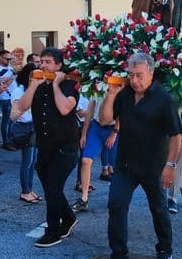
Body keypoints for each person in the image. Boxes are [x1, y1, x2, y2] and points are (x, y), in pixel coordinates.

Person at [96, 52, 182, 259]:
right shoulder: (124, 95)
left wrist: (170, 166)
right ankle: (119, 257)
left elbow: (176, 135)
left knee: (158, 209)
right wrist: (111, 94)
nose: (135, 80)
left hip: (154, 165)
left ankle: (165, 251)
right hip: (125, 165)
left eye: (139, 75)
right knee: (116, 206)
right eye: (131, 75)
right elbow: (105, 119)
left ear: (151, 73)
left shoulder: (163, 98)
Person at [17, 47, 81, 248]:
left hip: (65, 147)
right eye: (41, 62)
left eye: (47, 62)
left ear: (58, 65)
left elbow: (64, 109)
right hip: (44, 147)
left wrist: (55, 85)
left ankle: (53, 231)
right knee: (51, 188)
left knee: (53, 188)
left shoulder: (69, 85)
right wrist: (34, 85)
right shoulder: (36, 85)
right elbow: (22, 106)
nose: (42, 65)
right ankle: (69, 218)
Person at [71, 96, 118, 213]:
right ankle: (84, 198)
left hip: (112, 128)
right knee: (86, 160)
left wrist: (115, 132)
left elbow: (123, 111)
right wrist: (84, 134)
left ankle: (115, 196)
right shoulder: (97, 83)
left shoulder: (119, 85)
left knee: (116, 166)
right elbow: (90, 110)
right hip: (96, 126)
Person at [11, 63, 41, 204]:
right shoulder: (19, 91)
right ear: (28, 76)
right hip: (25, 127)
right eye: (34, 75)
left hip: (35, 126)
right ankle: (25, 191)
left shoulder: (38, 89)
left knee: (33, 161)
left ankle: (29, 189)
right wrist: (27, 104)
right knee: (27, 161)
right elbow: (13, 115)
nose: (37, 78)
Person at [0, 49, 18, 151]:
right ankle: (6, 142)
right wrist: (13, 75)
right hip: (5, 97)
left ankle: (11, 140)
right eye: (7, 59)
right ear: (0, 58)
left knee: (12, 120)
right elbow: (4, 84)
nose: (9, 61)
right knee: (6, 121)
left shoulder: (10, 68)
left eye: (10, 59)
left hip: (13, 98)